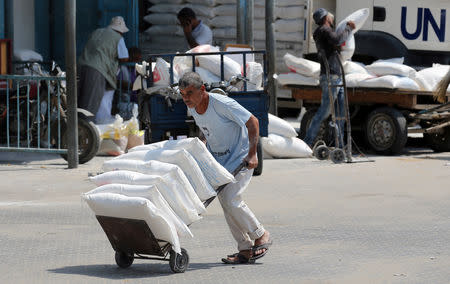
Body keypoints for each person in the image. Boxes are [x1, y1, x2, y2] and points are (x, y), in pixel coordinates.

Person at [178, 71, 272, 264]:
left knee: (231, 198)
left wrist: (253, 154)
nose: (185, 98)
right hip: (220, 162)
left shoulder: (221, 103)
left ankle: (261, 234)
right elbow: (207, 131)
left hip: (241, 156)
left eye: (189, 93)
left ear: (202, 89)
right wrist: (202, 146)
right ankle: (244, 249)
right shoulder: (194, 107)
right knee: (226, 202)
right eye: (182, 94)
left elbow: (252, 121)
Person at [303, 8, 355, 148]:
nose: (332, 19)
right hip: (331, 76)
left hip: (335, 76)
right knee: (325, 111)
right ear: (326, 18)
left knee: (340, 113)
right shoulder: (324, 30)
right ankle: (307, 142)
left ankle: (339, 145)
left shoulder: (323, 32)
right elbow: (338, 39)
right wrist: (348, 29)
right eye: (330, 17)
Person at [78, 16, 130, 124]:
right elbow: (124, 57)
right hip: (98, 70)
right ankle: (86, 132)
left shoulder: (97, 31)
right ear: (120, 30)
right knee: (91, 102)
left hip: (82, 66)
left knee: (81, 100)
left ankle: (80, 127)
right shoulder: (118, 38)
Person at [112, 46, 142, 120]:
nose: (136, 61)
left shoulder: (136, 69)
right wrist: (133, 86)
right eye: (135, 59)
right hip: (123, 97)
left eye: (138, 60)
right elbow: (117, 82)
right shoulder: (122, 67)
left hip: (133, 98)